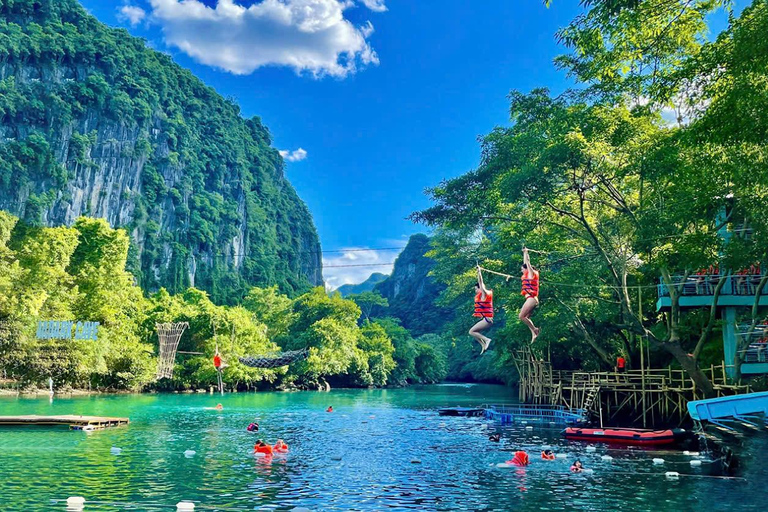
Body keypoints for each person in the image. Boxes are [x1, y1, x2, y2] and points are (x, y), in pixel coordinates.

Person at [469, 266, 494, 354]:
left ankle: (487, 340)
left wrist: (479, 272)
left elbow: (481, 282)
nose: (475, 291)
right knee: (474, 332)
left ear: (480, 288)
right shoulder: (481, 296)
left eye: (476, 289)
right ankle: (482, 344)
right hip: (487, 319)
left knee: (471, 331)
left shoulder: (484, 294)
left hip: (488, 319)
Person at [519, 248, 540, 342]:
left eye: (522, 269)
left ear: (527, 269)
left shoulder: (532, 274)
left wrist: (526, 253)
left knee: (521, 317)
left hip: (531, 299)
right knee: (526, 318)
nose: (521, 271)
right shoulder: (527, 275)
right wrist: (524, 253)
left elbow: (527, 263)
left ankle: (535, 330)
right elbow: (525, 262)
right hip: (532, 299)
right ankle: (534, 335)